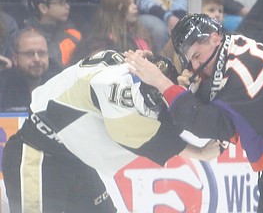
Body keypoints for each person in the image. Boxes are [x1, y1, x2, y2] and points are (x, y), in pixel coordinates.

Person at [124, 13, 263, 213]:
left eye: (197, 56)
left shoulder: (240, 75)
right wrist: (162, 69)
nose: (195, 66)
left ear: (214, 39)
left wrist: (161, 81)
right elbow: (208, 94)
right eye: (191, 60)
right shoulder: (234, 46)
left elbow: (210, 123)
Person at [2, 48, 221, 213]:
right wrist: (199, 153)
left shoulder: (130, 68)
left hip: (74, 158)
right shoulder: (119, 93)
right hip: (36, 156)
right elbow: (147, 136)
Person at [71, 0, 153, 64]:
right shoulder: (99, 42)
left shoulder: (141, 34)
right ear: (116, 8)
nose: (135, 7)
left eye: (134, 2)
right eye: (129, 3)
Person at [25, 0, 82, 74]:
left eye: (67, 2)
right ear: (43, 8)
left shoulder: (75, 34)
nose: (67, 6)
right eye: (61, 2)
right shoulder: (27, 37)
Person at [0, 28, 55, 112]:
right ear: (15, 58)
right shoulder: (2, 85)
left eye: (41, 53)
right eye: (29, 54)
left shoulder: (59, 82)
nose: (37, 59)